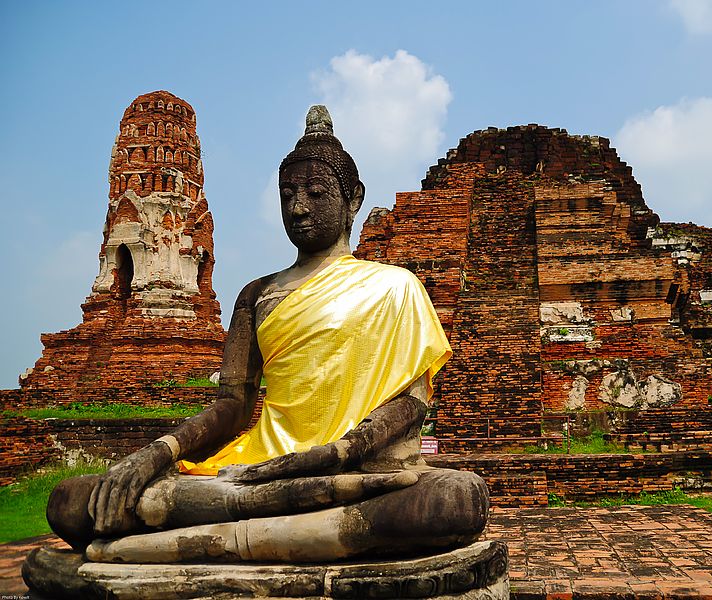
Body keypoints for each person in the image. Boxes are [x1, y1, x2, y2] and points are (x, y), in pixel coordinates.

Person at [46, 106, 488, 563]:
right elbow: (232, 408)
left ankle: (167, 547)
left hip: (352, 470)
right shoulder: (257, 294)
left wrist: (338, 453)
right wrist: (158, 453)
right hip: (261, 470)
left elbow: (411, 403)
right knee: (72, 503)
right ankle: (300, 534)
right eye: (288, 194)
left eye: (315, 193)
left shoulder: (396, 286)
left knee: (455, 500)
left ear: (353, 198)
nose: (298, 208)